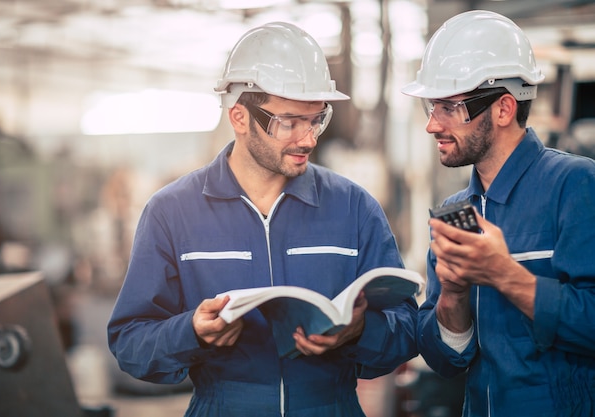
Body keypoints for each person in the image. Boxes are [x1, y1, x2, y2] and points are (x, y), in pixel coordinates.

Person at [108, 21, 418, 417]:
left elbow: (409, 327)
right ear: (240, 117)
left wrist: (360, 331)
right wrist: (191, 333)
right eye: (289, 122)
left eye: (316, 119)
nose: (308, 139)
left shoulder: (353, 208)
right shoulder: (172, 213)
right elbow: (130, 343)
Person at [401, 10, 595, 417]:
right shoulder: (457, 214)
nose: (432, 125)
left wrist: (505, 275)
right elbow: (447, 361)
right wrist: (452, 296)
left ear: (504, 109)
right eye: (431, 107)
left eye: (449, 107)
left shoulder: (575, 186)